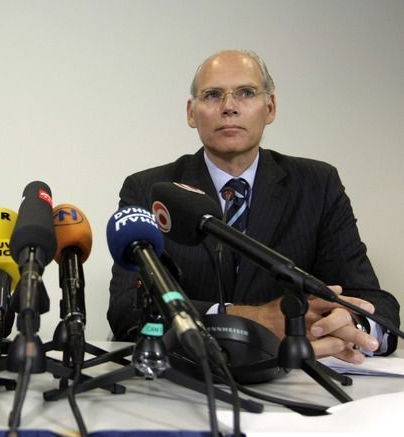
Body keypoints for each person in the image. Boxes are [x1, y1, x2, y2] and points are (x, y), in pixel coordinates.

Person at [108, 49, 399, 363]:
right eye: (213, 95)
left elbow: (375, 303)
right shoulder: (149, 189)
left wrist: (349, 325)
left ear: (270, 107)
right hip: (191, 378)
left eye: (246, 93)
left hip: (294, 378)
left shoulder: (318, 184)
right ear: (192, 113)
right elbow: (129, 311)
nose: (229, 107)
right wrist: (252, 320)